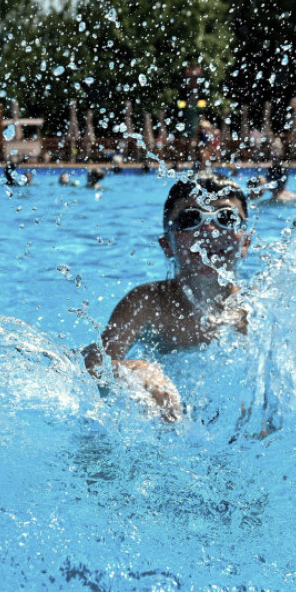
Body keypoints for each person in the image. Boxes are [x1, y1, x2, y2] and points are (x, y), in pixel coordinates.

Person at [83, 173, 250, 418]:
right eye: (190, 218)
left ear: (245, 243)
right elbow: (90, 367)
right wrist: (133, 371)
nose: (209, 229)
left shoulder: (262, 309)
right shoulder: (147, 303)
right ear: (167, 245)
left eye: (227, 218)